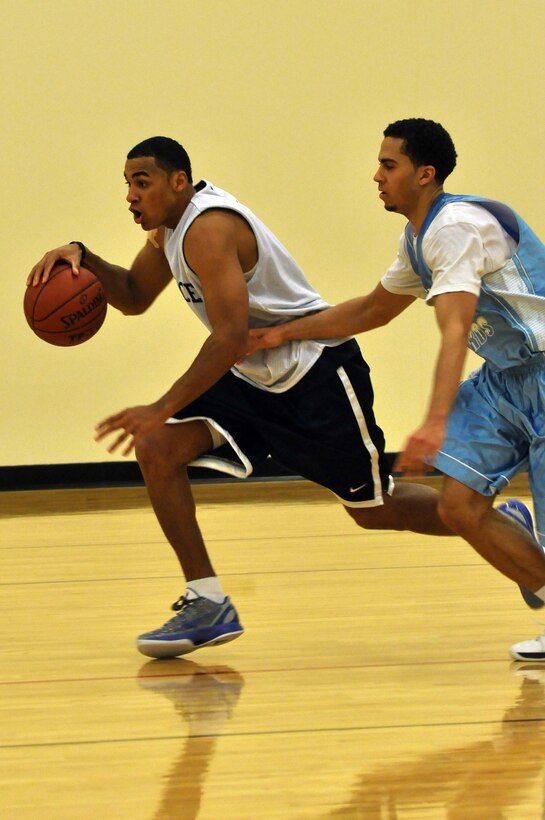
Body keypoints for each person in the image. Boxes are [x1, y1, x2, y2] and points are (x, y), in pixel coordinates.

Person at [27, 135, 466, 660]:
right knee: (157, 449)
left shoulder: (209, 229)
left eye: (141, 183)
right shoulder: (170, 232)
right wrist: (85, 258)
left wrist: (159, 406)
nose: (130, 196)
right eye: (127, 185)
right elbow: (135, 298)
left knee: (374, 509)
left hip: (314, 373)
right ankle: (207, 601)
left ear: (178, 181)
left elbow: (230, 336)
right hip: (253, 376)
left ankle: (494, 522)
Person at [245, 118, 545, 662]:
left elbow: (455, 327)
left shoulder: (455, 226)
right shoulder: (418, 237)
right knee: (456, 506)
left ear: (424, 173)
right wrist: (281, 332)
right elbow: (371, 310)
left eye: (389, 165)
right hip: (509, 379)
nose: (376, 176)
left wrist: (434, 422)